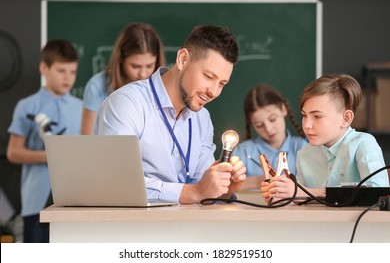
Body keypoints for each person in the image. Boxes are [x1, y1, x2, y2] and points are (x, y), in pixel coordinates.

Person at [96, 24, 246, 204]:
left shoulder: (202, 119)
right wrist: (193, 192)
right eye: (208, 76)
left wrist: (221, 190)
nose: (213, 91)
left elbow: (201, 185)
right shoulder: (127, 104)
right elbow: (117, 182)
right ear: (183, 59)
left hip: (186, 227)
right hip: (133, 228)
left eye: (222, 84)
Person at [261, 73, 390, 203]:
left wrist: (307, 192)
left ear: (346, 119)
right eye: (304, 115)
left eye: (317, 116)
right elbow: (300, 199)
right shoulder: (304, 154)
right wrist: (280, 194)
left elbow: (380, 195)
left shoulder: (363, 144)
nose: (306, 125)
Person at [7, 39, 82, 242]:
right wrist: (50, 155)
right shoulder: (27, 106)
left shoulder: (82, 108)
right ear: (44, 68)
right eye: (61, 71)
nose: (68, 78)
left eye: (72, 72)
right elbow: (13, 152)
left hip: (75, 201)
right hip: (36, 202)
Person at [81, 22, 166, 135]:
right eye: (135, 66)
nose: (143, 74)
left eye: (150, 66)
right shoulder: (97, 85)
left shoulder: (164, 87)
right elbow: (87, 140)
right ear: (121, 59)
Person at [233, 84, 308, 190]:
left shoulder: (303, 147)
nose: (268, 129)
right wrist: (258, 181)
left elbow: (315, 187)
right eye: (259, 125)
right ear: (251, 124)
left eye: (272, 119)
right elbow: (226, 188)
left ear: (283, 109)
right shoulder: (243, 151)